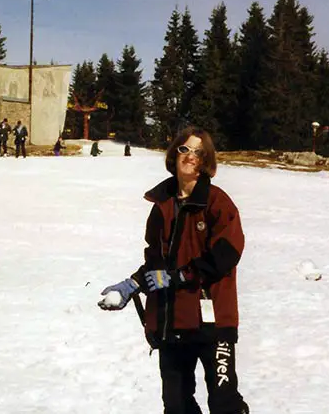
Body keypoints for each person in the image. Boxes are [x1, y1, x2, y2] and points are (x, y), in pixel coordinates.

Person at [98, 126, 249, 414]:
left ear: (206, 161)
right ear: (174, 154)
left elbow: (227, 254)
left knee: (223, 403)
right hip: (171, 324)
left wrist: (182, 275)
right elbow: (156, 263)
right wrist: (131, 285)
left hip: (212, 323)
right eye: (184, 149)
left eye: (198, 152)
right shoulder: (162, 206)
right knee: (177, 405)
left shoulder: (217, 203)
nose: (190, 156)